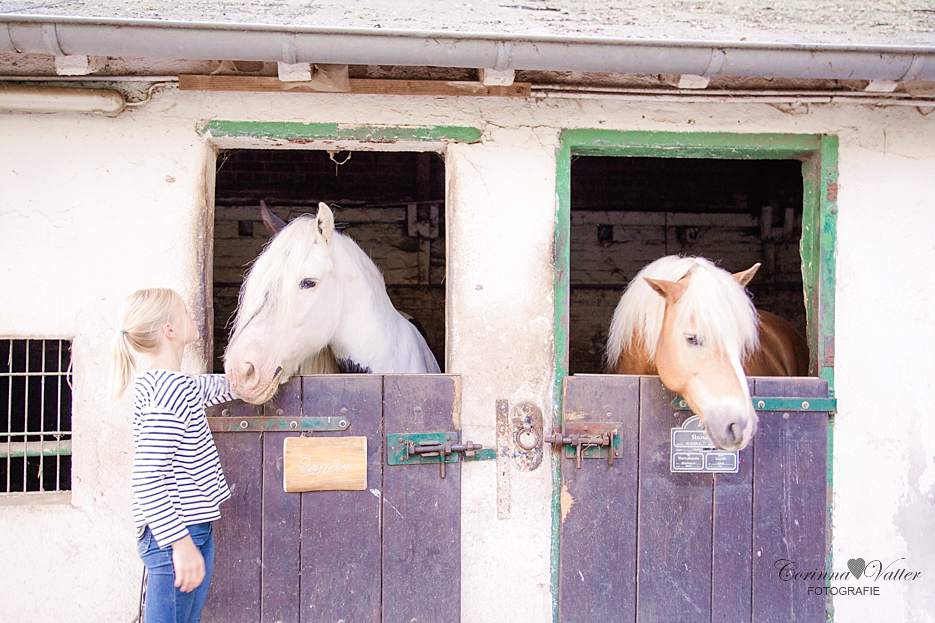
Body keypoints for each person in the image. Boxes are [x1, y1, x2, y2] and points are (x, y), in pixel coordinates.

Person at [111, 288, 236, 623]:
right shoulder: (167, 395)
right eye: (185, 311)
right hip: (176, 535)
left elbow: (218, 387)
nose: (192, 316)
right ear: (169, 331)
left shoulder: (169, 384)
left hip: (189, 527)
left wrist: (258, 372)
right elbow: (147, 478)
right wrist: (180, 544)